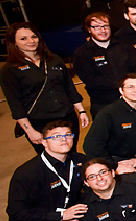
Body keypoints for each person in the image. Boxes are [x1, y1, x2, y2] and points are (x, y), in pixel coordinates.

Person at [7, 121, 86, 221]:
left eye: (68, 135)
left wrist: (79, 216)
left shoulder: (79, 161)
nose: (64, 139)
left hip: (69, 220)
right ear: (44, 142)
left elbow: (92, 191)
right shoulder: (28, 173)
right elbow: (17, 212)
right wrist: (60, 216)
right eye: (56, 137)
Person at [2, 22, 88, 152]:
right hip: (39, 122)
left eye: (34, 36)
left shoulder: (55, 60)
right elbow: (15, 104)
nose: (31, 41)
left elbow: (69, 87)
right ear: (14, 42)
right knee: (50, 158)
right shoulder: (9, 70)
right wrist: (29, 130)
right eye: (23, 38)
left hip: (67, 116)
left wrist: (81, 111)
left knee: (71, 153)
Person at [83, 74, 136, 177]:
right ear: (121, 90)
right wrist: (113, 166)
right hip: (120, 164)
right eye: (130, 87)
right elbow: (91, 146)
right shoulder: (108, 113)